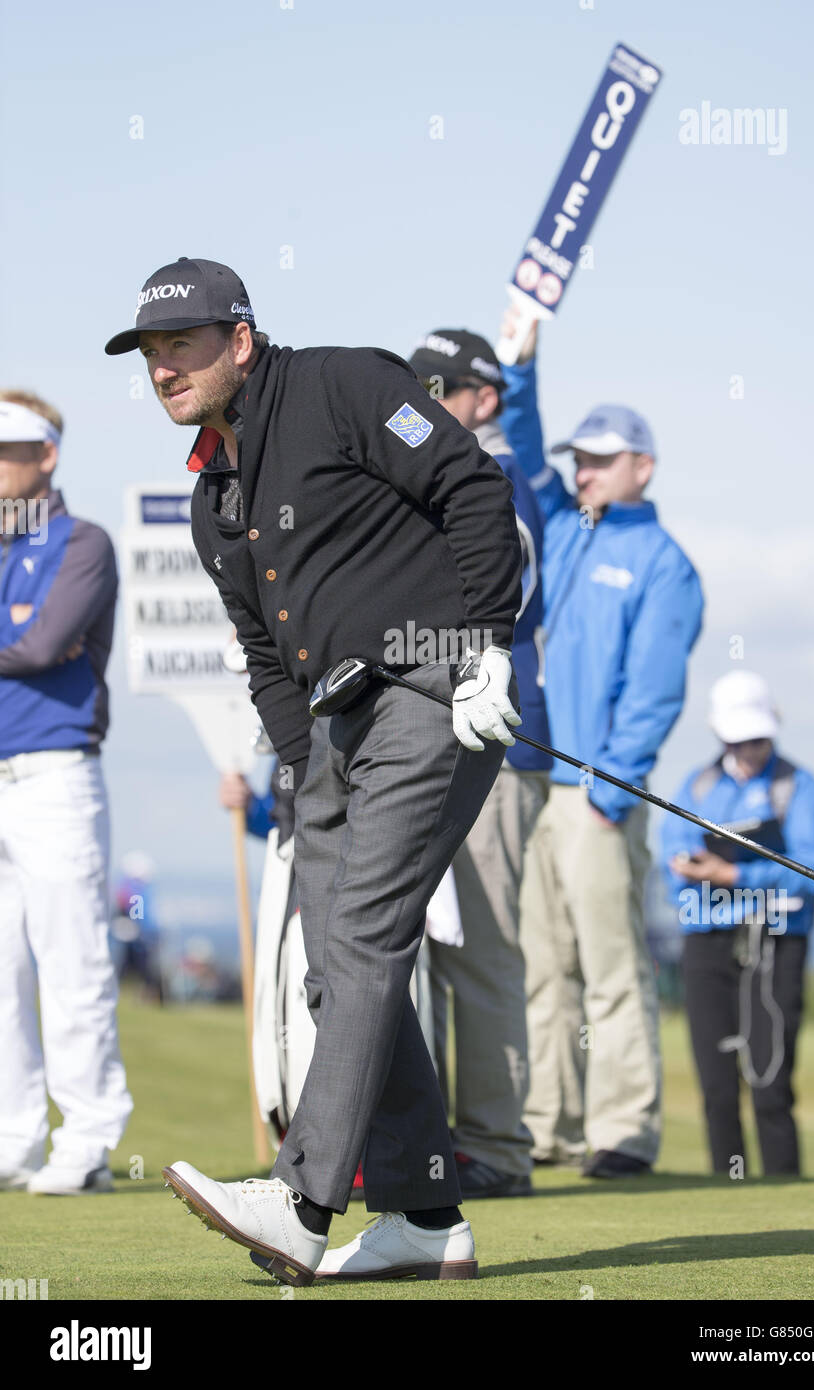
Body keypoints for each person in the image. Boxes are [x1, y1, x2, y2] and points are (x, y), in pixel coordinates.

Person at [104, 257, 523, 1286]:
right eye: (152, 355)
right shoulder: (215, 496)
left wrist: (486, 644)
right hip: (333, 740)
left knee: (368, 935)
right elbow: (264, 651)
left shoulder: (344, 384)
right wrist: (301, 778)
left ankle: (300, 1203)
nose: (165, 368)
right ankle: (426, 1212)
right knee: (338, 968)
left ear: (238, 342)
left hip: (434, 692)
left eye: (182, 347)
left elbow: (473, 487)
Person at [500, 315, 704, 1177]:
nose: (583, 469)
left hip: (598, 794)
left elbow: (653, 696)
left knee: (613, 969)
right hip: (544, 785)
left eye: (601, 459)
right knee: (544, 971)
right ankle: (548, 1124)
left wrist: (609, 794)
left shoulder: (664, 562)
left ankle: (624, 1130)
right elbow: (522, 440)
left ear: (642, 467)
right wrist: (522, 365)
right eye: (581, 458)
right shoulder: (568, 525)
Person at [407, 329, 551, 1199]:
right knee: (424, 948)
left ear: (483, 397)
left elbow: (508, 590)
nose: (425, 399)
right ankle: (447, 1143)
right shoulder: (441, 469)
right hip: (441, 722)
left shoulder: (497, 477)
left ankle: (497, 1146)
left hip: (492, 726)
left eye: (441, 386)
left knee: (484, 948)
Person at [0, 391, 133, 1194]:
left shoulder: (83, 542)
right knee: (2, 971)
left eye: (10, 448)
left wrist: (24, 638)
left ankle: (85, 1139)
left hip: (54, 774)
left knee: (72, 962)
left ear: (47, 455)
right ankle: (15, 1139)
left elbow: (47, 643)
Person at [661, 670, 814, 1176]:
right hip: (707, 943)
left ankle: (783, 1186)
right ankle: (728, 1187)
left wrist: (734, 874)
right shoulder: (696, 785)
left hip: (777, 942)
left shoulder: (799, 787)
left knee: (771, 1081)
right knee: (717, 1083)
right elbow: (672, 856)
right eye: (739, 739)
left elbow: (811, 870)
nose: (749, 749)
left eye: (758, 738)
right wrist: (692, 869)